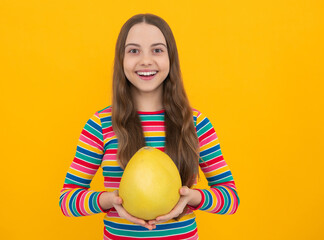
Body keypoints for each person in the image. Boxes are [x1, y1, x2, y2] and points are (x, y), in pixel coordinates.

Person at [59, 13, 240, 239]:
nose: (146, 60)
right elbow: (67, 201)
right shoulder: (101, 124)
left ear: (170, 58)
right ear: (121, 59)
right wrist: (111, 200)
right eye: (134, 50)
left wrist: (192, 198)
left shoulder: (196, 124)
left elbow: (231, 199)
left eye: (157, 50)